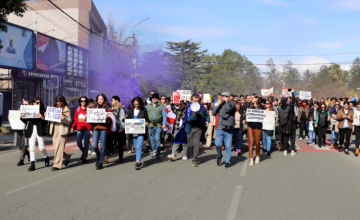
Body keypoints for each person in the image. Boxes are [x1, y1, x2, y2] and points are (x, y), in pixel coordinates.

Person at [20, 98, 49, 172]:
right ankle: (32, 164)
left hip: (39, 130)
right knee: (31, 148)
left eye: (39, 103)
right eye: (37, 102)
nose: (38, 104)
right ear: (33, 103)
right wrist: (21, 117)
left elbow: (46, 123)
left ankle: (46, 157)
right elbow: (26, 122)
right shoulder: (29, 110)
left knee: (41, 147)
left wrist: (42, 117)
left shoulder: (43, 111)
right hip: (31, 130)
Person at [46, 95, 71, 171]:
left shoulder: (67, 109)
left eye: (60, 101)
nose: (58, 102)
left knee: (59, 148)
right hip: (54, 129)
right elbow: (49, 120)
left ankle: (56, 165)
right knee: (56, 148)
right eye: (57, 101)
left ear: (63, 101)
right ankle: (66, 157)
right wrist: (46, 116)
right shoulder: (53, 109)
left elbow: (69, 121)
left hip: (62, 130)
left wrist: (63, 118)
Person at [183, 94, 210, 167]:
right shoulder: (189, 108)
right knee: (190, 146)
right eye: (195, 101)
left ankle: (194, 160)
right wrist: (194, 114)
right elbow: (188, 120)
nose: (196, 102)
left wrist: (207, 121)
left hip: (198, 128)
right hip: (189, 128)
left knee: (196, 145)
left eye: (198, 101)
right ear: (191, 100)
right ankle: (193, 156)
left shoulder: (201, 108)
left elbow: (207, 114)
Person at [213, 92, 236, 169]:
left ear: (229, 97)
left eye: (225, 96)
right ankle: (220, 155)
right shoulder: (219, 104)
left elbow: (233, 109)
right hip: (219, 128)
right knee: (217, 144)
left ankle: (227, 161)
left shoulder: (232, 104)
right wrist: (218, 105)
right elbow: (213, 113)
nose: (223, 98)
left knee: (228, 146)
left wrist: (227, 102)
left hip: (228, 128)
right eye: (222, 96)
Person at [91, 94, 113, 170]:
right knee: (94, 146)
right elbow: (91, 121)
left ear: (104, 100)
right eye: (99, 99)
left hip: (104, 128)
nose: (100, 100)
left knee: (103, 146)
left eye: (101, 99)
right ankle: (98, 157)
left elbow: (110, 122)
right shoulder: (94, 108)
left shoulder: (108, 108)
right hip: (95, 128)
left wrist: (108, 118)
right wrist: (88, 117)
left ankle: (100, 162)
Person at [127, 97, 150, 170]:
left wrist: (147, 123)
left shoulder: (143, 110)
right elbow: (128, 119)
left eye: (138, 103)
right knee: (136, 147)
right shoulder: (130, 111)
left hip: (141, 132)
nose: (136, 105)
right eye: (135, 103)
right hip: (133, 132)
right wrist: (125, 121)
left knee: (139, 146)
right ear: (133, 103)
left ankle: (138, 162)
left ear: (140, 103)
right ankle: (138, 160)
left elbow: (147, 119)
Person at [70, 96, 92, 164]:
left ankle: (84, 157)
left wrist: (91, 129)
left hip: (87, 129)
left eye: (84, 101)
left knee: (86, 143)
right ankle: (84, 152)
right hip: (79, 129)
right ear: (80, 102)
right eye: (82, 101)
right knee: (79, 143)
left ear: (86, 102)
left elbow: (92, 119)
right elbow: (75, 120)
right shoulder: (78, 109)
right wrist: (72, 127)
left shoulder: (89, 109)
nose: (83, 102)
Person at [246, 94, 265, 166]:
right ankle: (251, 159)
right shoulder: (250, 106)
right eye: (251, 98)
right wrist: (246, 114)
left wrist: (265, 115)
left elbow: (264, 116)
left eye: (253, 98)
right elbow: (247, 116)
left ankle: (257, 155)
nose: (252, 99)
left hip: (258, 127)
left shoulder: (261, 107)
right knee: (250, 143)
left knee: (257, 143)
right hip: (250, 126)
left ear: (257, 98)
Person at [105, 96, 125, 163]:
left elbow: (122, 119)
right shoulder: (111, 109)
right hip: (111, 128)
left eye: (112, 100)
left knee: (120, 144)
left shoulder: (121, 109)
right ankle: (106, 156)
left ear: (116, 101)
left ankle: (120, 157)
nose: (111, 101)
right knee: (108, 143)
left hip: (119, 128)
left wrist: (121, 128)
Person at [146, 93, 167, 159]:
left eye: (156, 97)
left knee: (157, 139)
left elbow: (164, 115)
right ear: (151, 98)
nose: (154, 98)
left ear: (158, 98)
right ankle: (154, 151)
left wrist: (164, 123)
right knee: (152, 140)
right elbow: (143, 113)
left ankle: (158, 152)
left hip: (158, 125)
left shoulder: (161, 106)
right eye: (153, 97)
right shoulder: (147, 106)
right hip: (150, 125)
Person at [10, 99, 30, 166]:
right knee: (20, 146)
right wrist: (10, 118)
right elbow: (14, 118)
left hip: (25, 130)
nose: (24, 105)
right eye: (23, 104)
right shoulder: (19, 112)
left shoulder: (31, 112)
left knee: (24, 145)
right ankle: (27, 153)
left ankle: (21, 160)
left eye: (26, 104)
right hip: (19, 130)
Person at [277, 90, 297, 156]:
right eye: (287, 100)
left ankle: (285, 150)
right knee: (292, 138)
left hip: (284, 125)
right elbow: (293, 100)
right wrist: (293, 93)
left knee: (285, 138)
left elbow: (279, 118)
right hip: (292, 124)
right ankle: (292, 151)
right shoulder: (290, 107)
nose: (288, 101)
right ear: (286, 102)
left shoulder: (279, 109)